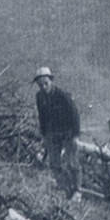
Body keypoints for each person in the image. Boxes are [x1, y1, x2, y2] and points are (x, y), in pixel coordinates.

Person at [34, 67, 81, 199]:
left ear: (51, 81)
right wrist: (44, 136)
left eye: (46, 83)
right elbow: (42, 117)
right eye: (40, 85)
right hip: (52, 134)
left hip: (68, 133)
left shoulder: (62, 96)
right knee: (54, 164)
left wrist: (76, 136)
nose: (43, 87)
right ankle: (67, 190)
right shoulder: (39, 97)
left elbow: (75, 115)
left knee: (71, 162)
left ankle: (77, 191)